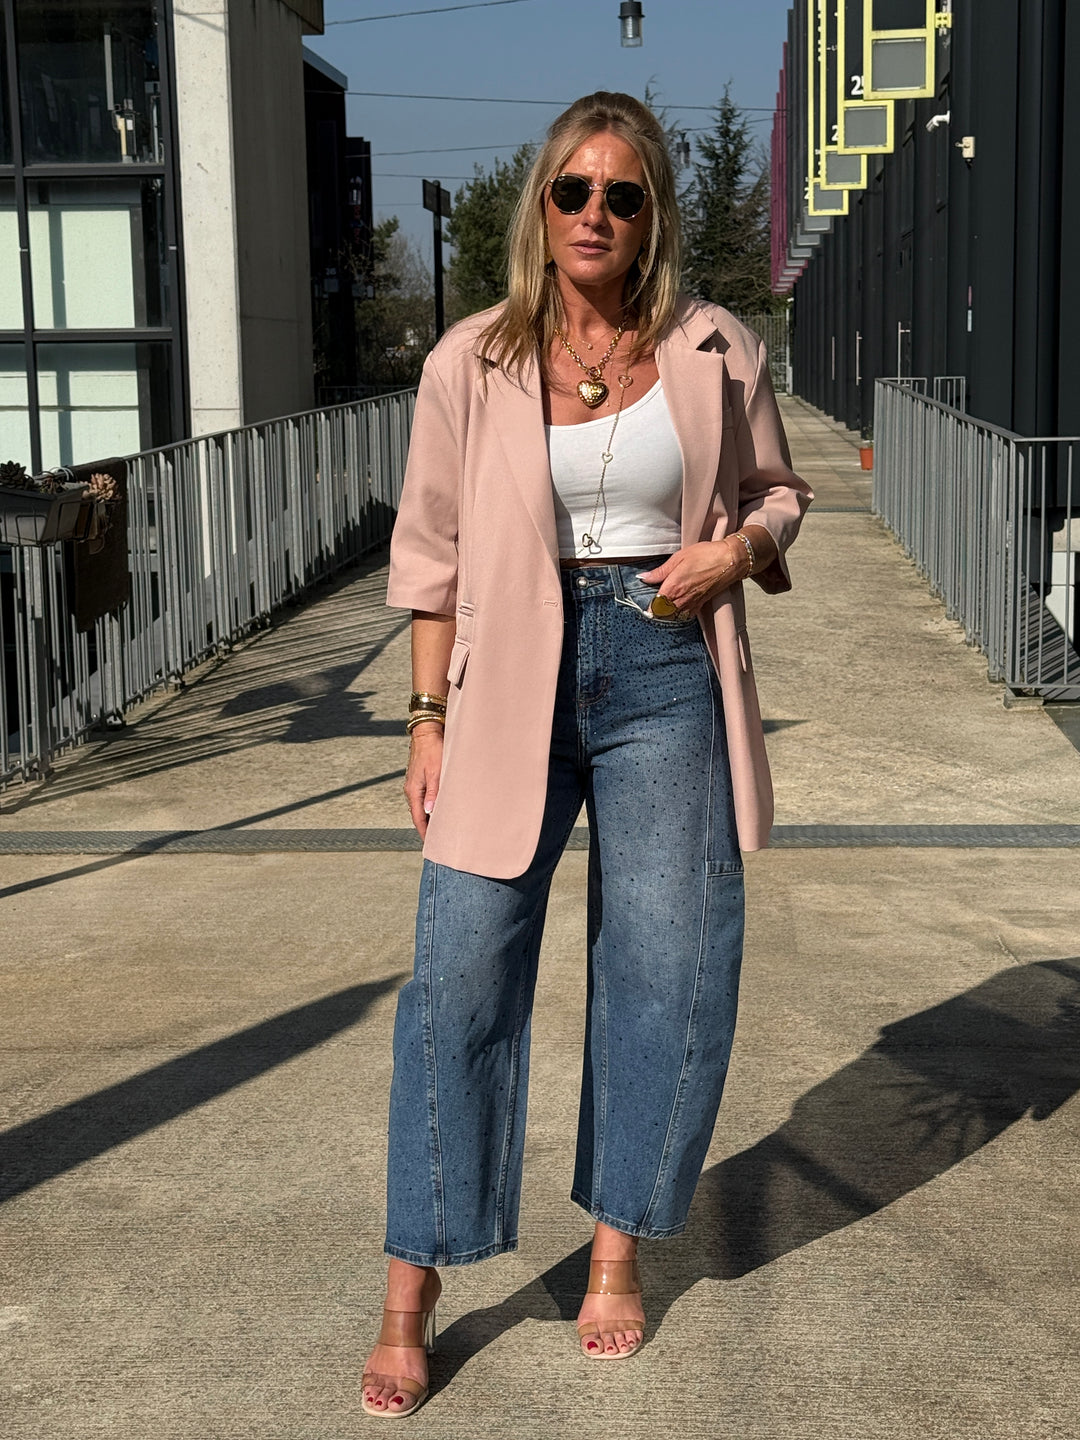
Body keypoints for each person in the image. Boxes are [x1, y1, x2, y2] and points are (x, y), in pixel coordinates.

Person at [361, 90, 812, 1417]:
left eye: (621, 194)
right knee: (458, 977)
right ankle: (410, 1286)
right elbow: (430, 555)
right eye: (574, 190)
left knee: (665, 966)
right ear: (542, 204)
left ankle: (616, 1250)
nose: (595, 214)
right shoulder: (471, 361)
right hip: (507, 671)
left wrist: (737, 551)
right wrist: (425, 719)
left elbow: (780, 492)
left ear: (650, 213)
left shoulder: (716, 345)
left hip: (664, 666)